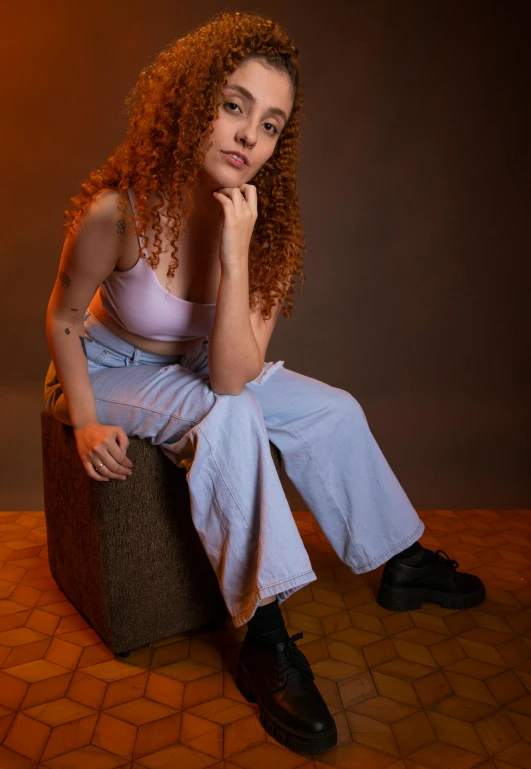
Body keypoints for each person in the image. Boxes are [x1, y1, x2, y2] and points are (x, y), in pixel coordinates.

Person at [43, 10, 485, 756]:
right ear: (191, 102)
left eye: (272, 123)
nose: (250, 135)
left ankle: (396, 557)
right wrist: (84, 419)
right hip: (109, 370)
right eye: (234, 105)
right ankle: (265, 633)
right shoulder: (118, 213)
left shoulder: (265, 225)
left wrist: (237, 250)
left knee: (331, 410)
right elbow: (60, 318)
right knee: (234, 422)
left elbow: (229, 372)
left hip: (199, 366)